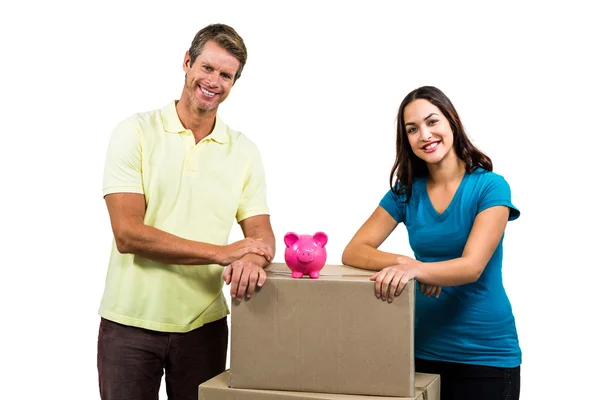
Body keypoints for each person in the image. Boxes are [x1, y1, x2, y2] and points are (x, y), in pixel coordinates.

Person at [97, 23, 276, 400]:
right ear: (186, 62)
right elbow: (127, 233)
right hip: (128, 325)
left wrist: (252, 261)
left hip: (205, 326)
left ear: (234, 83)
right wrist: (225, 253)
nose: (214, 81)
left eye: (226, 75)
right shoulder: (135, 132)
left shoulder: (244, 151)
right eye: (207, 68)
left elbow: (261, 236)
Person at [342, 86, 521, 400]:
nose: (424, 134)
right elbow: (353, 251)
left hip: (485, 356)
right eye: (412, 129)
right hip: (420, 349)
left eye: (432, 122)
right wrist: (405, 264)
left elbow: (472, 267)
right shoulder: (406, 192)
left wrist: (419, 270)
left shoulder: (490, 187)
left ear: (451, 122)